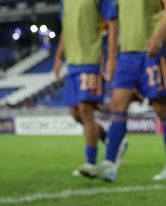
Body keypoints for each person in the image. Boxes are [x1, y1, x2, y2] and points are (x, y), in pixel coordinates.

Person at [96, 0, 166, 183]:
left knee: (161, 108)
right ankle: (110, 164)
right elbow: (115, 21)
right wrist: (112, 57)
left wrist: (159, 35)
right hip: (126, 53)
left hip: (151, 50)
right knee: (117, 104)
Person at [53, 0, 119, 178]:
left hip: (91, 60)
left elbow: (112, 23)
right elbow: (66, 30)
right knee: (76, 114)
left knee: (85, 109)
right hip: (73, 64)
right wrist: (58, 57)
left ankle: (90, 162)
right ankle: (112, 142)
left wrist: (112, 58)